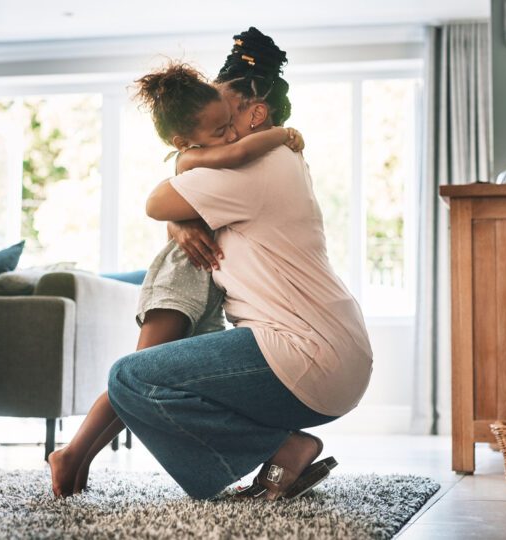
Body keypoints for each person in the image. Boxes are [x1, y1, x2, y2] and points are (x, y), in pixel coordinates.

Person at [106, 27, 374, 501]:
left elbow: (156, 202)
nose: (220, 133)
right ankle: (277, 454)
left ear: (256, 113)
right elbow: (176, 211)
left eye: (225, 117)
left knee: (131, 376)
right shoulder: (275, 161)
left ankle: (286, 447)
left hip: (304, 352)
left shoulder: (256, 164)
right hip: (332, 351)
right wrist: (182, 226)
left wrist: (180, 203)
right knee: (167, 370)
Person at [48, 62, 304, 498]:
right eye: (219, 128)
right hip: (182, 274)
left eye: (229, 125)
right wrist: (283, 135)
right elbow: (231, 159)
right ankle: (72, 453)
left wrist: (180, 223)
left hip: (205, 279)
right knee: (138, 371)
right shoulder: (195, 156)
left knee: (153, 377)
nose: (228, 134)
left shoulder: (204, 153)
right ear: (183, 141)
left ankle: (77, 455)